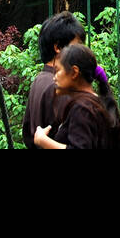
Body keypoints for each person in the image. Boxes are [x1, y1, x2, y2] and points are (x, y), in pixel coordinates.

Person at [33, 43, 120, 149]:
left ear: (74, 72)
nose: (54, 77)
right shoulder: (97, 102)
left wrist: (43, 140)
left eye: (57, 70)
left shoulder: (82, 108)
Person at [22, 11, 86, 149]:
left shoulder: (39, 80)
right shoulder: (61, 87)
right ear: (57, 47)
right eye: (78, 45)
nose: (82, 51)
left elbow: (27, 134)